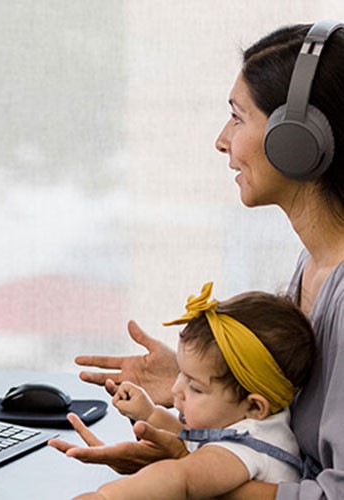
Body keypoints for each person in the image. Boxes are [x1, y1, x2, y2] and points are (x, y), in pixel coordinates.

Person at [50, 22, 344, 499]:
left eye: (238, 117)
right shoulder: (315, 266)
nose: (222, 140)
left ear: (297, 139)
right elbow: (289, 438)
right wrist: (211, 383)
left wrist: (185, 479)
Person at [73, 282, 315, 499]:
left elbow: (181, 477)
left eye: (195, 387)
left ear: (254, 406)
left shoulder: (248, 447)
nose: (176, 389)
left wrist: (105, 497)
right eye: (181, 373)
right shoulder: (261, 421)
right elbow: (191, 439)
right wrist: (149, 414)